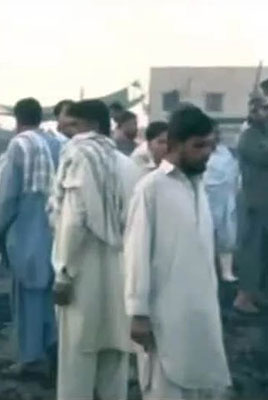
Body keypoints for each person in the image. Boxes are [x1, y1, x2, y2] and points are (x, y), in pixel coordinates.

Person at [124, 106, 231, 400]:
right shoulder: (151, 189)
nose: (206, 153)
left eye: (210, 146)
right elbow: (136, 254)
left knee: (201, 383)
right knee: (165, 386)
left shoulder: (198, 186)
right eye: (198, 146)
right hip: (164, 315)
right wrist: (138, 313)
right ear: (175, 144)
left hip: (200, 312)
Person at [49, 99, 139, 400]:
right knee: (115, 354)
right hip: (120, 270)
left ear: (92, 126)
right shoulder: (127, 164)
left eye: (74, 124)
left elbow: (74, 222)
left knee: (77, 357)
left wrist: (63, 272)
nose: (68, 131)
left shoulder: (78, 157)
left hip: (83, 272)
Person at [0, 97, 61, 373]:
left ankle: (31, 358)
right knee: (51, 291)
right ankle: (53, 346)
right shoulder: (58, 143)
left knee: (27, 293)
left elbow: (6, 197)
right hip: (57, 228)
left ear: (17, 120)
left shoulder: (19, 145)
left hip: (28, 229)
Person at [233, 95, 268, 314]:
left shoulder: (262, 134)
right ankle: (243, 297)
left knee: (263, 253)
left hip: (264, 205)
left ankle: (257, 294)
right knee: (251, 252)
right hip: (253, 204)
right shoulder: (248, 136)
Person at [204, 127, 240, 282]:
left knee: (227, 236)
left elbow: (234, 173)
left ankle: (227, 271)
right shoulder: (199, 154)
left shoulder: (226, 153)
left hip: (226, 199)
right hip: (206, 200)